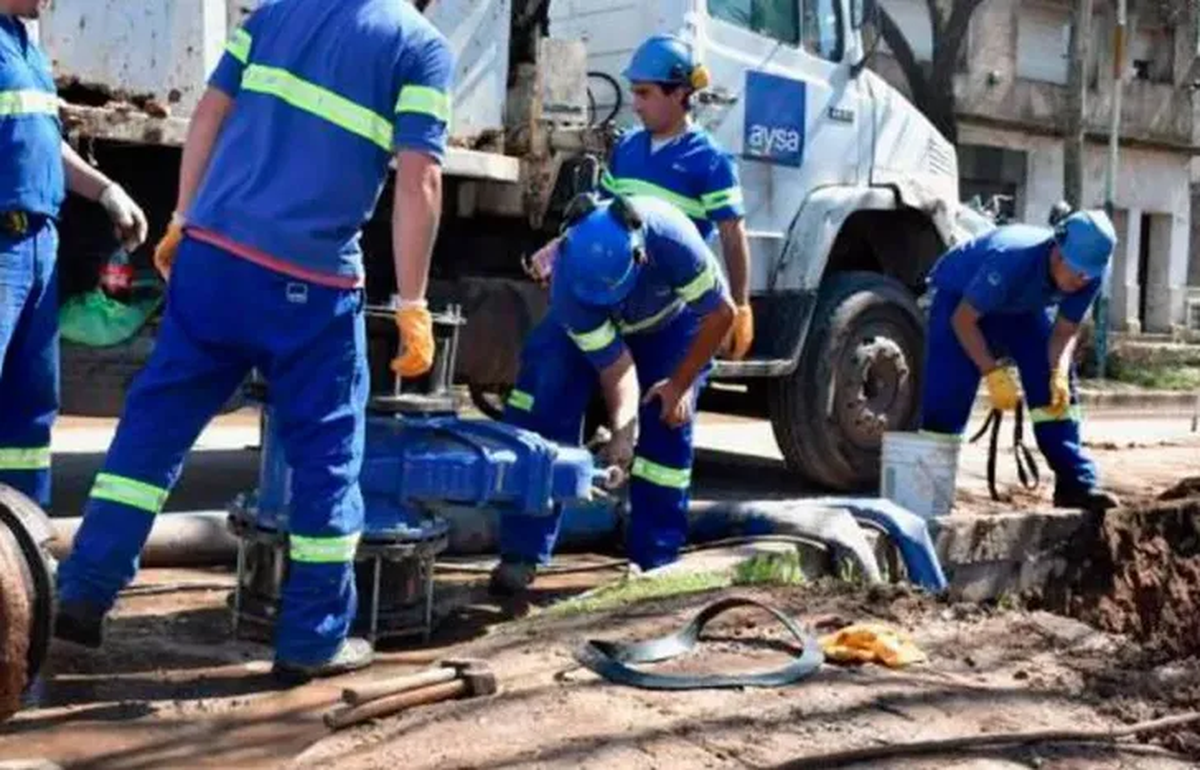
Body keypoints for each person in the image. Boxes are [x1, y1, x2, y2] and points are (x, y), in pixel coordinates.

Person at [53, 0, 454, 683]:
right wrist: (412, 302)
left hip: (213, 259)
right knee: (326, 460)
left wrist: (184, 217)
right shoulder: (419, 47)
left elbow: (208, 115)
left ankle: (85, 592)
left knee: (151, 434)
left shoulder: (273, 14)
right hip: (312, 286)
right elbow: (420, 179)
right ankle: (311, 639)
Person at [491, 193, 735, 594]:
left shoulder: (673, 242)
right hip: (596, 328)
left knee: (667, 421)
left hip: (671, 326)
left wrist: (680, 382)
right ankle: (522, 552)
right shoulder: (570, 283)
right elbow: (615, 366)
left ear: (640, 257)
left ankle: (655, 565)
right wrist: (623, 431)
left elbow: (721, 314)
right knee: (543, 402)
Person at [0, 0, 148, 506]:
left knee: (31, 409)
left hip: (38, 245)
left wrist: (106, 190)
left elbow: (45, 139)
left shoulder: (25, 47)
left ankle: (22, 545)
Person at [525, 34, 753, 360]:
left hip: (671, 314)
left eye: (644, 93)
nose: (636, 104)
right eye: (634, 92)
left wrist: (740, 306)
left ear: (679, 93)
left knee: (661, 407)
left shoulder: (711, 160)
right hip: (616, 295)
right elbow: (600, 213)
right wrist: (559, 248)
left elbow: (733, 234)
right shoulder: (628, 148)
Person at [921, 209, 1120, 514]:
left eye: (1088, 274)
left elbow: (1064, 332)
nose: (1082, 280)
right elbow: (964, 321)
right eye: (1077, 270)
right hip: (961, 299)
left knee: (1053, 389)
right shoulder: (1011, 259)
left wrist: (1059, 372)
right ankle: (927, 489)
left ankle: (1075, 483)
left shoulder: (1091, 274)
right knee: (948, 392)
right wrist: (992, 372)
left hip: (1023, 306)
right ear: (1057, 250)